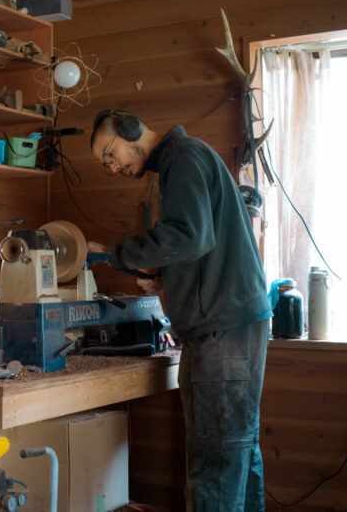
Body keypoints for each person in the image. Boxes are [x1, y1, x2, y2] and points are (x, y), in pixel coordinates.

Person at [88, 110, 272, 512]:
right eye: (106, 164)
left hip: (222, 327)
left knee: (217, 458)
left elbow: (189, 237)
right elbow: (198, 242)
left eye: (110, 153)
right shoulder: (182, 158)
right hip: (233, 319)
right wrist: (164, 274)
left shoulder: (181, 157)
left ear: (131, 130)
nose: (113, 167)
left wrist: (114, 253)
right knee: (238, 450)